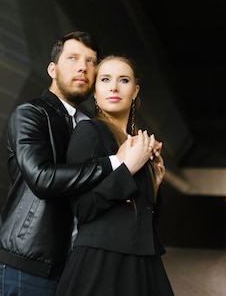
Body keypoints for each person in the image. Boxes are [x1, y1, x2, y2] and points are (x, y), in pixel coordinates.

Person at [0, 32, 154, 296]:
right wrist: (117, 161)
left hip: (73, 264)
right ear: (52, 69)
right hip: (30, 261)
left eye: (91, 61)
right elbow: (42, 178)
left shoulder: (92, 126)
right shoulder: (31, 114)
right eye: (73, 58)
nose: (83, 67)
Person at [55, 54, 175, 296]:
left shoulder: (139, 143)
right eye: (105, 79)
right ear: (95, 92)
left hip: (143, 261)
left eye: (124, 80)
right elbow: (83, 208)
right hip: (101, 261)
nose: (114, 87)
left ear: (135, 91)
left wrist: (155, 185)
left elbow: (142, 217)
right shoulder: (89, 132)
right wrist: (127, 169)